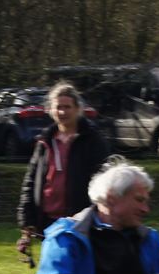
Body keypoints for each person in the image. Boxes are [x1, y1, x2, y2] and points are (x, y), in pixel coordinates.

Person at [16, 82, 109, 263]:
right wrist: (27, 222)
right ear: (51, 110)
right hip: (49, 221)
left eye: (67, 107)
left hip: (81, 221)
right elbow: (31, 182)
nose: (63, 112)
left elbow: (104, 181)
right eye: (58, 107)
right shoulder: (45, 142)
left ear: (78, 109)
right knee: (52, 271)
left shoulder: (93, 140)